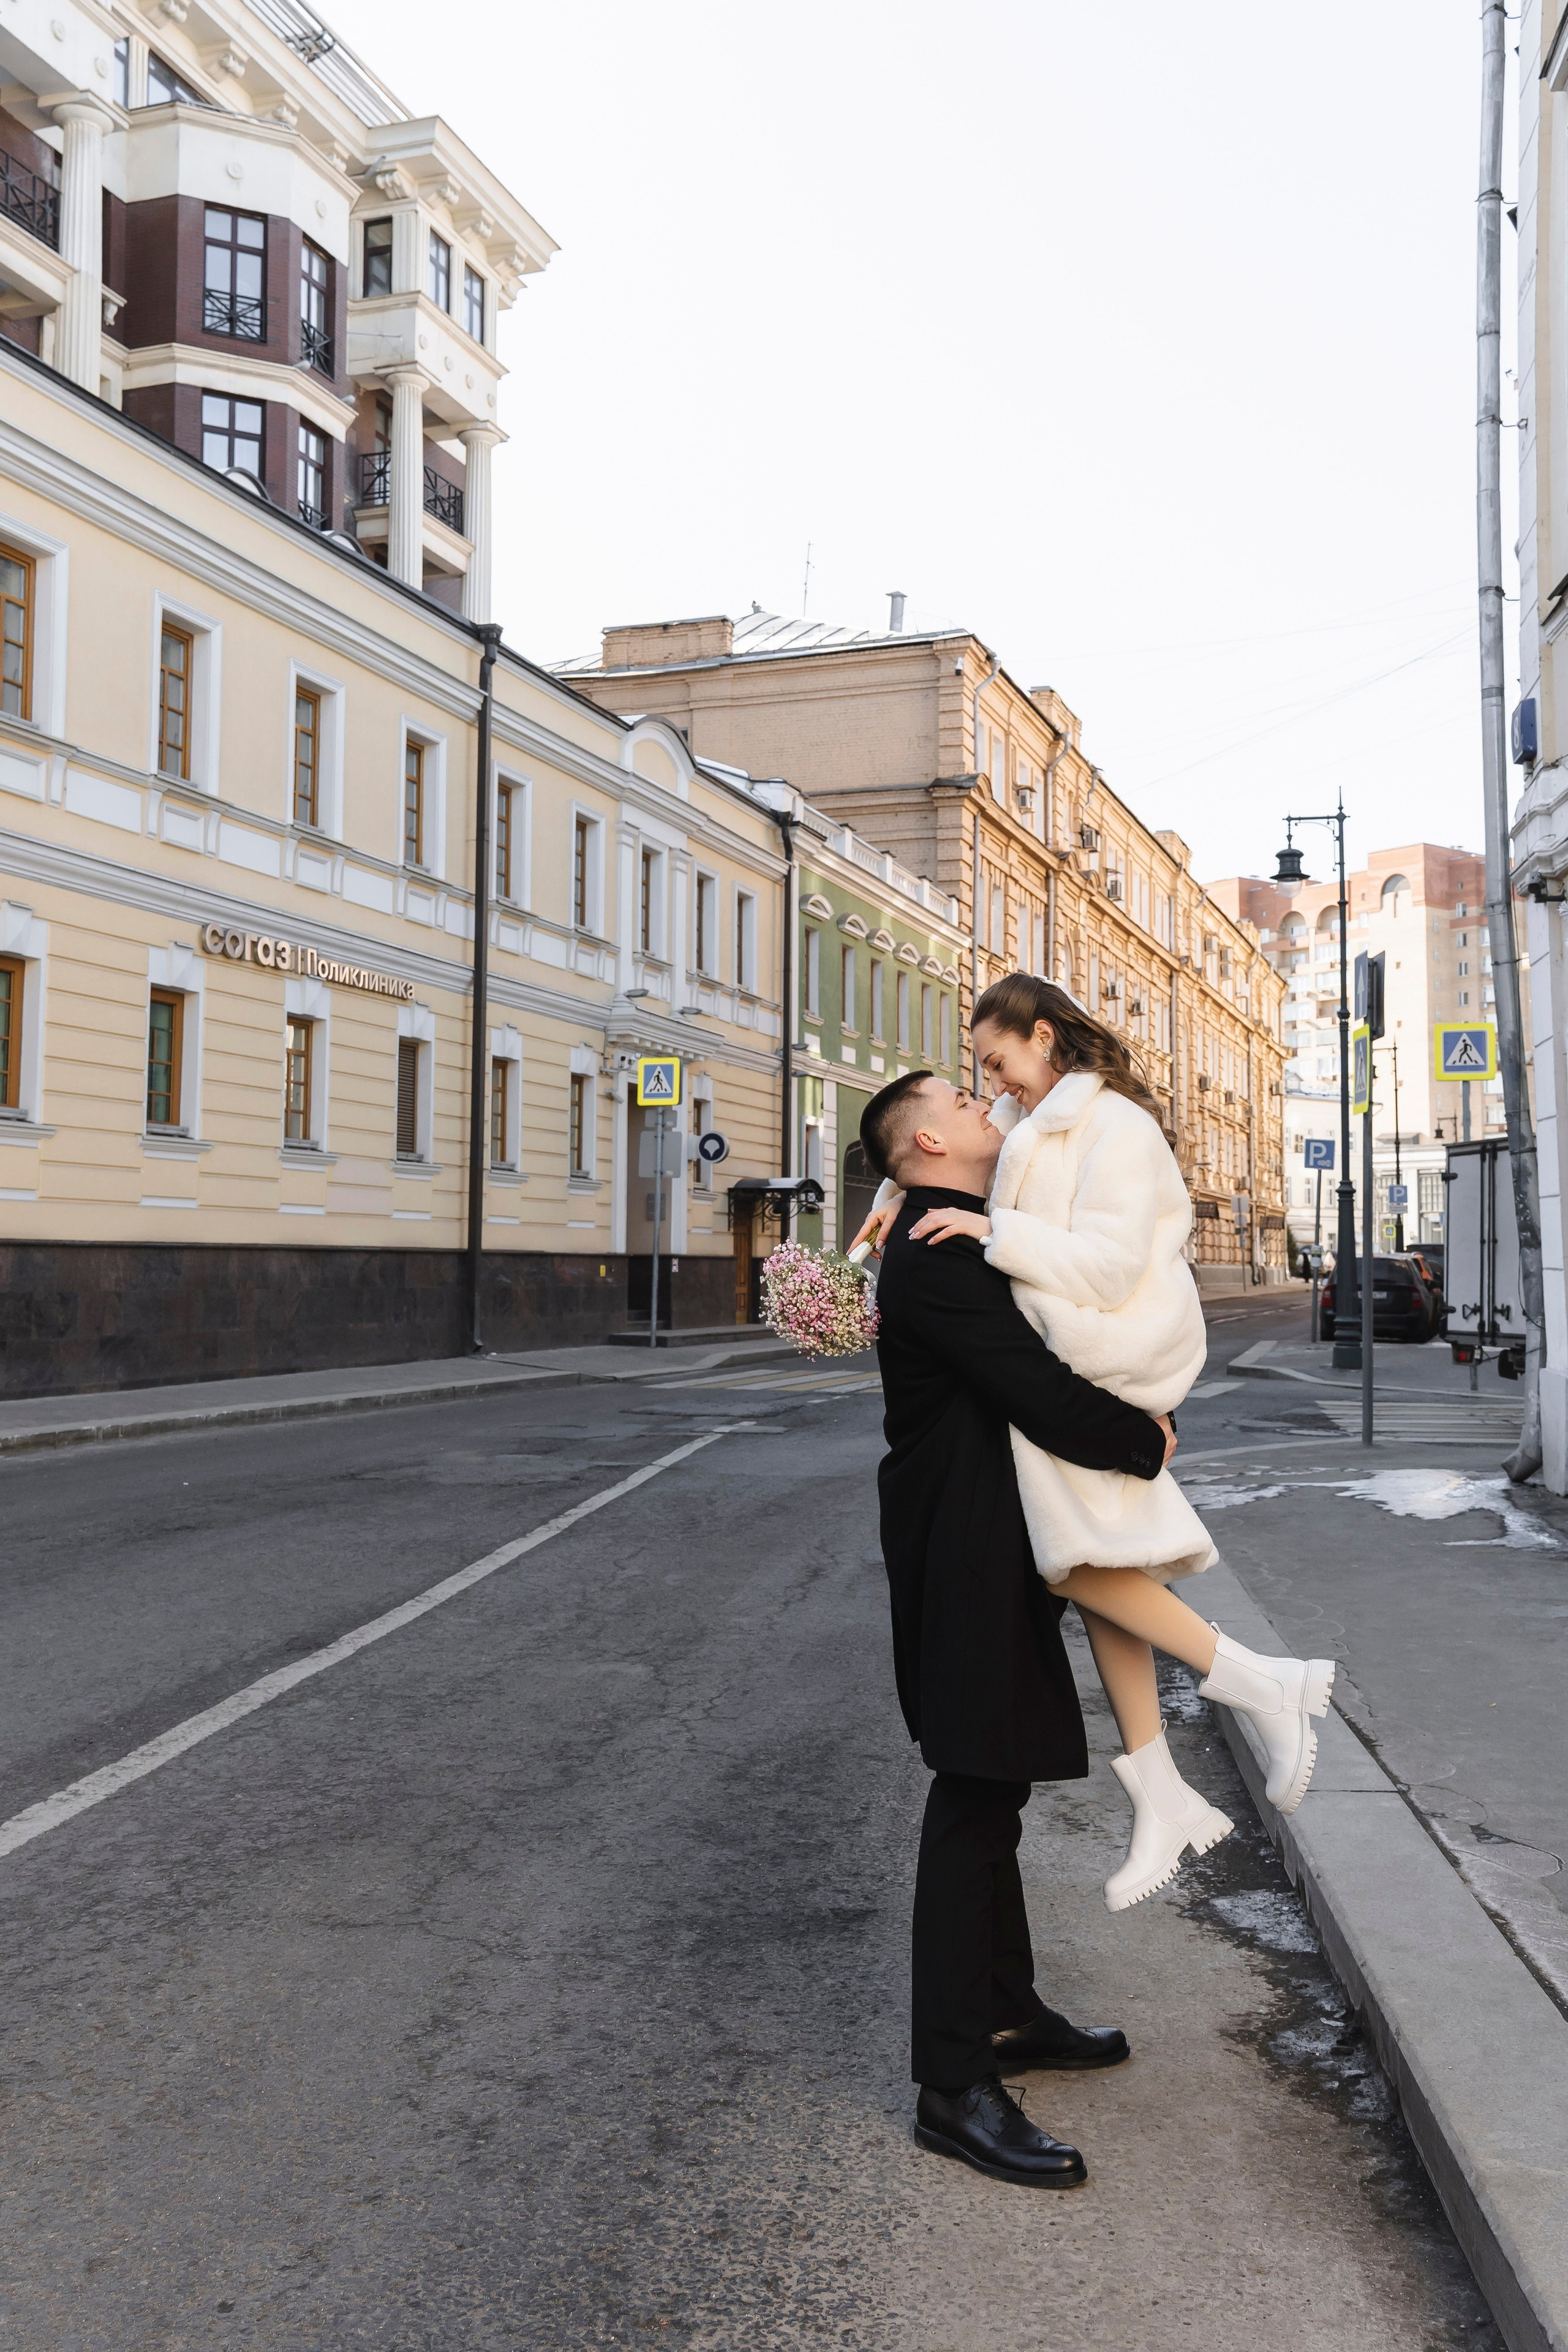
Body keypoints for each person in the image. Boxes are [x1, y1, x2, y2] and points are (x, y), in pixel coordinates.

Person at [856, 978, 1335, 1917]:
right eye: (979, 1078)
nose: (989, 1085)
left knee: (1073, 1562)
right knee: (1090, 1560)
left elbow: (1113, 1267)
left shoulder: (1113, 1127)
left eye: (996, 1064)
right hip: (1068, 1347)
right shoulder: (1032, 1107)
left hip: (1114, 1350)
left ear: (1043, 1038)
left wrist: (999, 1229)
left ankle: (1264, 1683)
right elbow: (930, 1136)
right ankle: (1159, 1788)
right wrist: (889, 1192)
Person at [860, 1065, 1172, 2189]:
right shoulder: (939, 1253)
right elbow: (1031, 1383)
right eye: (959, 1092)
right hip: (964, 1548)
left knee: (994, 1783)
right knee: (974, 1791)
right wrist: (1147, 1436)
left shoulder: (962, 1228)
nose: (980, 1097)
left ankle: (1003, 2012)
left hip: (988, 1539)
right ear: (926, 1147)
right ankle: (952, 2084)